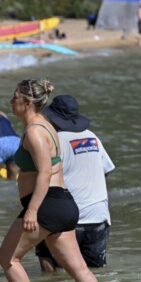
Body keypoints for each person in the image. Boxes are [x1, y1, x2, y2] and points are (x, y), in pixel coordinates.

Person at [0, 79, 101, 282]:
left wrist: (32, 210)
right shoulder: (47, 126)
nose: (10, 101)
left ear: (26, 102)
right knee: (80, 269)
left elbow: (45, 173)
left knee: (8, 258)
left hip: (47, 205)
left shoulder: (35, 131)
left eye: (15, 97)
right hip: (61, 205)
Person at [35, 94, 115, 272]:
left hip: (69, 217)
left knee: (47, 257)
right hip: (99, 217)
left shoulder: (53, 140)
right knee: (95, 272)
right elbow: (107, 170)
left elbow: (44, 176)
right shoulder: (92, 137)